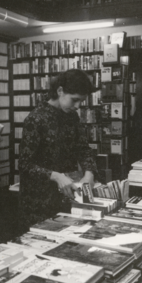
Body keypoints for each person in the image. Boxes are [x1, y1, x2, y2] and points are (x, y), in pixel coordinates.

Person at [18, 69, 98, 232]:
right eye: (74, 100)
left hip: (68, 196)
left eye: (81, 101)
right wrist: (55, 176)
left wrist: (89, 172)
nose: (77, 106)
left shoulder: (72, 117)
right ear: (60, 91)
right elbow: (25, 165)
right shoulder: (35, 119)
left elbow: (83, 148)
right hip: (39, 200)